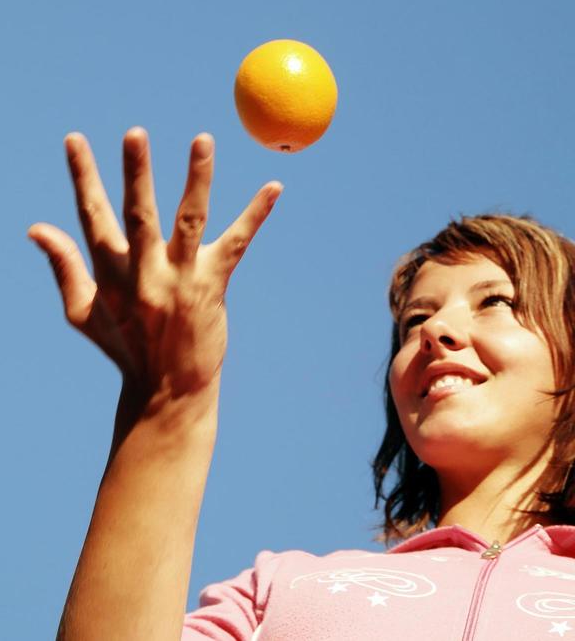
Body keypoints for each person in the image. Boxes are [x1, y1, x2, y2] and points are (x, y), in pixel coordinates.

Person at [29, 128, 575, 640]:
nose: (435, 329)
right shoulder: (274, 592)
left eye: (494, 302)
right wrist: (167, 403)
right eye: (414, 321)